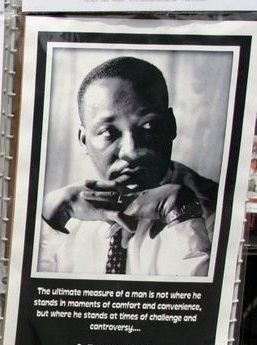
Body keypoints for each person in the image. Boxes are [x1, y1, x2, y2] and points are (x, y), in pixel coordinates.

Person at [38, 56, 216, 276]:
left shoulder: (218, 215)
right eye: (107, 132)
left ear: (170, 126)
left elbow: (202, 307)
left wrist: (181, 213)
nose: (131, 151)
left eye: (148, 126)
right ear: (84, 140)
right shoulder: (59, 219)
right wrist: (50, 214)